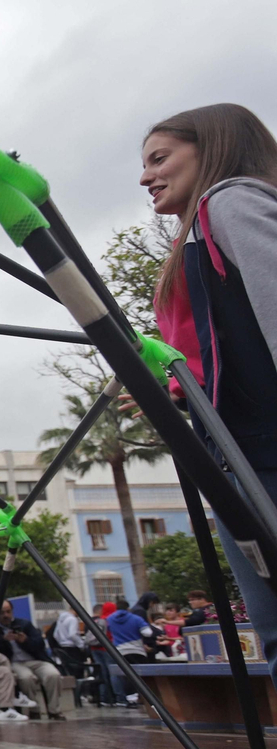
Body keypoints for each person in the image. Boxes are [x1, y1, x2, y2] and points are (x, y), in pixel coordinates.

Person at [142, 105, 277, 713]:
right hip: (238, 454)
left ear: (212, 147)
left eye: (159, 158)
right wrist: (185, 388)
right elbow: (229, 345)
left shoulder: (231, 203)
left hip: (262, 453)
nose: (146, 176)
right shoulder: (195, 233)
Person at [0, 605, 65, 721]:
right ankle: (34, 710)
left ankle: (54, 710)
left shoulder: (24, 624)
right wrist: (4, 640)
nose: (6, 615)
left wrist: (25, 640)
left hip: (35, 660)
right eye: (2, 613)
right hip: (14, 662)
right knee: (26, 678)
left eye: (8, 612)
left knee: (53, 675)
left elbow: (40, 644)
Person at [104, 599, 155, 708]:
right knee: (141, 675)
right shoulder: (136, 618)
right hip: (137, 650)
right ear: (128, 608)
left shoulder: (109, 619)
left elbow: (105, 631)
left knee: (125, 676)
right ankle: (143, 697)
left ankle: (130, 699)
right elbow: (147, 633)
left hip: (120, 651)